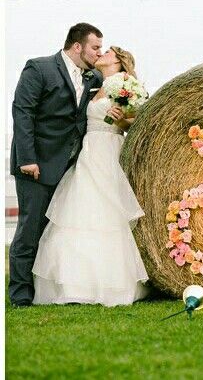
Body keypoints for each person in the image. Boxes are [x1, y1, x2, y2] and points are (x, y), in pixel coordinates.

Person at [32, 46, 149, 306]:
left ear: (118, 61)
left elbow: (135, 123)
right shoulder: (94, 85)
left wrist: (120, 121)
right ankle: (74, 284)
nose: (101, 54)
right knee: (79, 209)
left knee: (107, 212)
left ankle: (111, 286)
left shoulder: (127, 85)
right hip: (88, 152)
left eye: (107, 52)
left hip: (108, 151)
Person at [9, 23, 104, 306]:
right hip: (36, 165)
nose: (99, 53)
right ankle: (20, 296)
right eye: (95, 47)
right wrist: (27, 159)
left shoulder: (93, 76)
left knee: (54, 233)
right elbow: (23, 112)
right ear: (77, 46)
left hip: (70, 167)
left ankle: (43, 290)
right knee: (29, 231)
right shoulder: (38, 69)